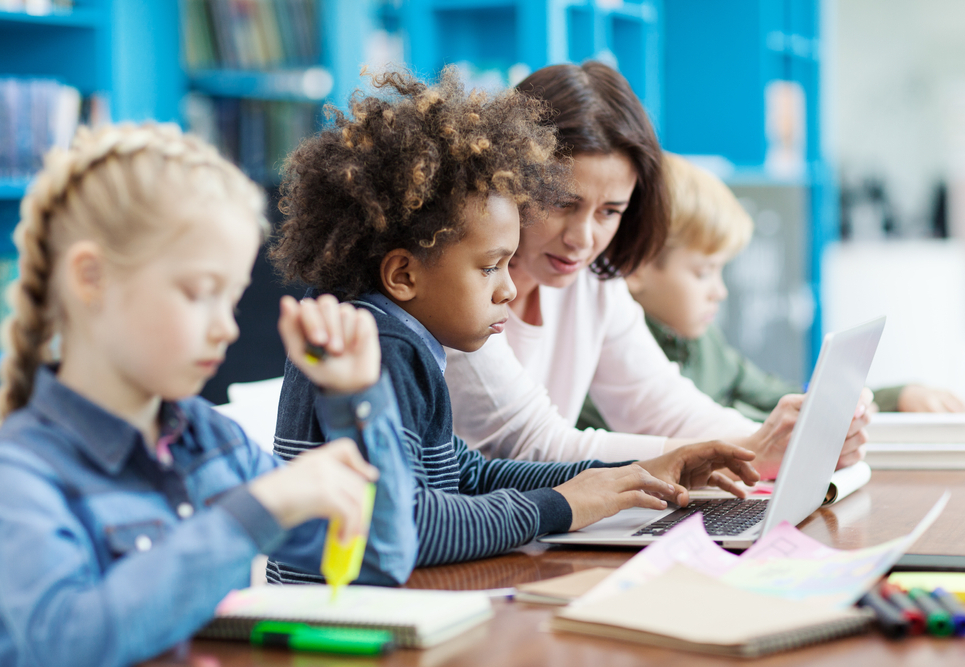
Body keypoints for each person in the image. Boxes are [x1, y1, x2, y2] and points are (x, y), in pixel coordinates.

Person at [267, 68, 760, 579]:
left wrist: (621, 478)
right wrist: (561, 504)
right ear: (403, 273)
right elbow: (411, 523)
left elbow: (466, 472)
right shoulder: (383, 350)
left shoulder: (402, 338)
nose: (508, 288)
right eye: (489, 267)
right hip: (343, 627)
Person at [0, 123, 416, 667]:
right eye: (199, 294)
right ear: (91, 277)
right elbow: (70, 644)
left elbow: (382, 560)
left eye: (230, 299)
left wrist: (356, 398)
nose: (227, 329)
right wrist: (258, 510)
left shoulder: (213, 442)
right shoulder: (17, 470)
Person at [444, 62, 871, 480]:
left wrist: (777, 446)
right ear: (508, 181)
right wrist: (745, 454)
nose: (583, 238)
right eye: (562, 203)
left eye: (610, 211)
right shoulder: (462, 287)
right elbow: (535, 445)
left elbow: (659, 405)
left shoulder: (591, 278)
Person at [578, 153, 965, 430]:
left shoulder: (703, 344)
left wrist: (896, 397)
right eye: (703, 272)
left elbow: (783, 396)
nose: (720, 292)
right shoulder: (601, 358)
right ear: (636, 266)